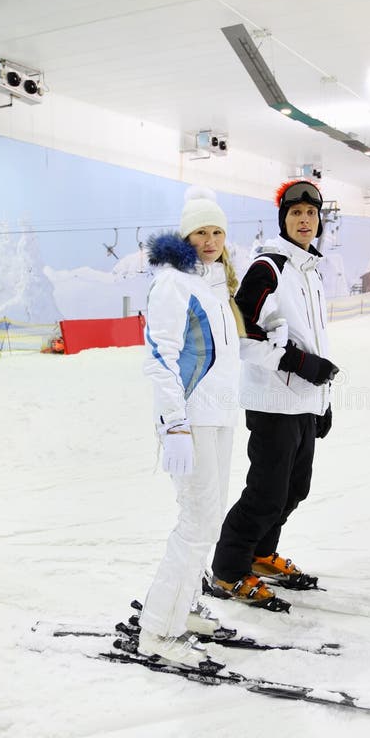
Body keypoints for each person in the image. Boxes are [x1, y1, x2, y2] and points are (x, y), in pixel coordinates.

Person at [209, 180, 339, 608]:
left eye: (311, 214)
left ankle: (261, 555)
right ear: (283, 219)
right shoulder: (270, 268)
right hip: (271, 403)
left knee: (294, 490)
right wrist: (299, 364)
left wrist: (321, 402)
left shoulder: (310, 272)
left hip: (302, 402)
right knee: (265, 494)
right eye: (296, 213)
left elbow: (312, 338)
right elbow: (240, 332)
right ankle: (228, 571)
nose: (305, 220)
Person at [137, 187, 245, 666]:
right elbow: (160, 357)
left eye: (217, 230)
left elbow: (221, 357)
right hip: (192, 422)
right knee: (195, 522)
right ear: (186, 236)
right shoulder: (173, 284)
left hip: (220, 418)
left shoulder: (211, 286)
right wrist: (174, 425)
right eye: (201, 231)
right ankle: (159, 629)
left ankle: (187, 604)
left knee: (210, 519)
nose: (210, 239)